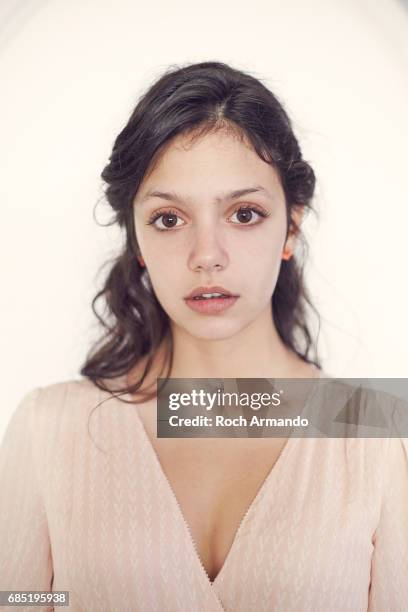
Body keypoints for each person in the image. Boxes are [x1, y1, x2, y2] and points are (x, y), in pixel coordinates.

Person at [0, 61, 407, 612]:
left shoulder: (380, 433)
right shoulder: (48, 431)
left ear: (291, 226)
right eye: (169, 219)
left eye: (244, 213)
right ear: (137, 239)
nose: (206, 256)